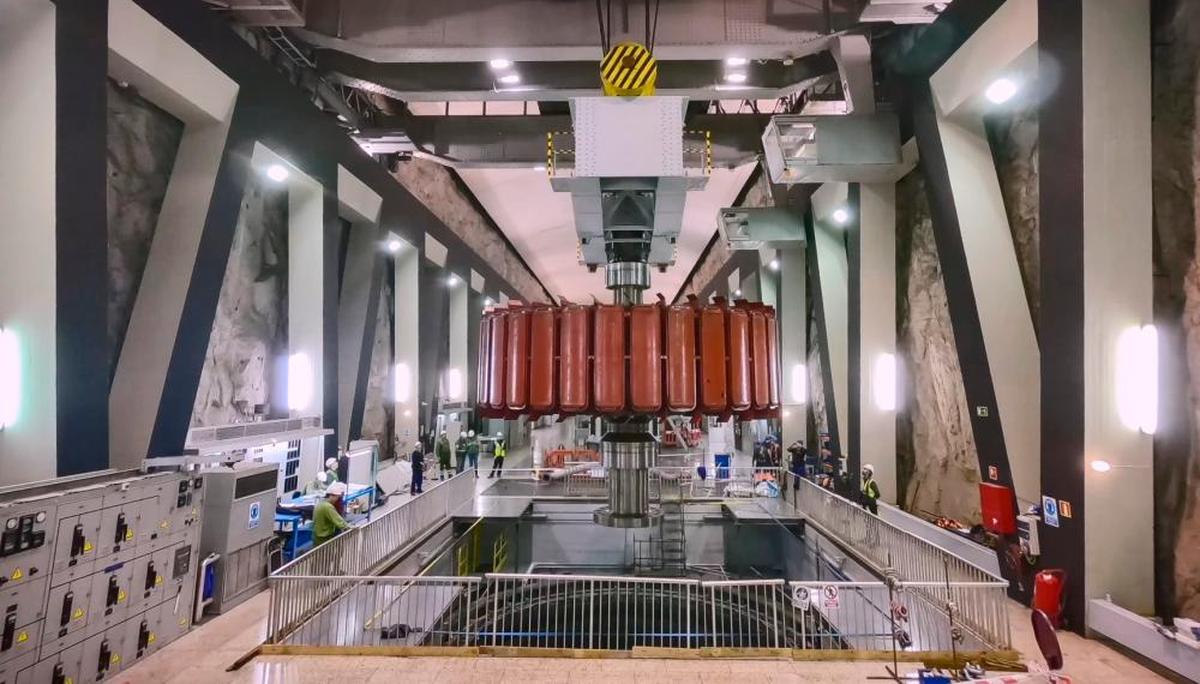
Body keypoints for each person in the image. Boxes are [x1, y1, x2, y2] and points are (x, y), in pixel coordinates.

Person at [312, 482, 350, 547]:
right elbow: (339, 521)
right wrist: (350, 527)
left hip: (317, 536)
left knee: (320, 556)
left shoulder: (320, 503)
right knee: (328, 556)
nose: (337, 499)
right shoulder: (328, 507)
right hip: (324, 537)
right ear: (332, 496)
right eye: (338, 497)